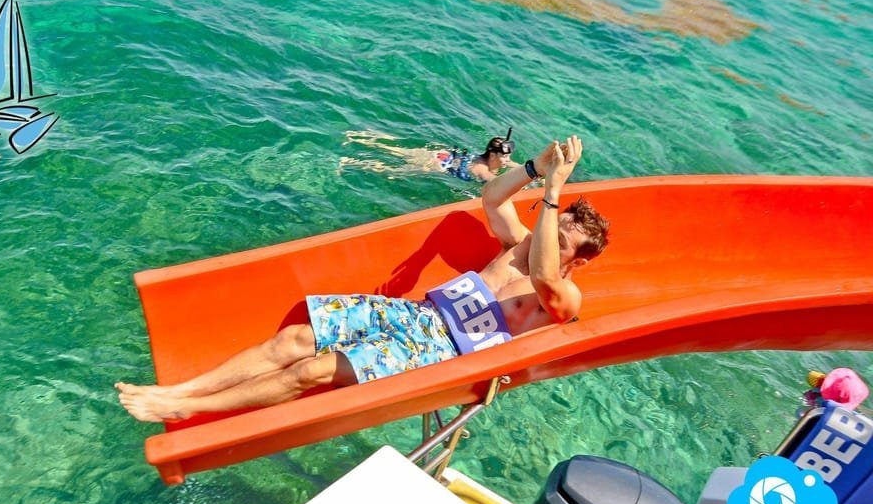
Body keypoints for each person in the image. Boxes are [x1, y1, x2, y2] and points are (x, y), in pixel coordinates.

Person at [118, 135, 611, 422]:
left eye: (561, 239)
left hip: (440, 354)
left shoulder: (563, 297)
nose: (548, 237)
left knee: (309, 371)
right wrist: (535, 167)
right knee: (293, 340)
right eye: (553, 226)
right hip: (419, 314)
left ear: (579, 261)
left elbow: (545, 273)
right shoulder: (518, 245)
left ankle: (191, 410)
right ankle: (182, 392)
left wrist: (554, 191)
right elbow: (492, 198)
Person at [339, 130, 518, 182]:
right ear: (493, 155)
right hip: (436, 166)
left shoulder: (488, 159)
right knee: (392, 170)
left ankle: (359, 136)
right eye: (504, 157)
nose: (508, 160)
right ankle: (352, 162)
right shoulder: (482, 170)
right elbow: (497, 184)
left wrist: (531, 172)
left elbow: (516, 166)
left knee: (395, 150)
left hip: (442, 155)